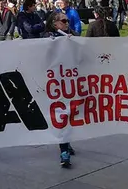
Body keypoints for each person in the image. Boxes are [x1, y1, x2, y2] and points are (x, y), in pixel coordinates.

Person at [42, 11, 76, 167]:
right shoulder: (47, 37)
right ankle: (64, 150)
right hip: (55, 82)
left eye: (67, 20)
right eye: (64, 21)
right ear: (54, 23)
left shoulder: (71, 35)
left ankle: (66, 142)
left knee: (70, 113)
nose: (67, 23)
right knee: (61, 114)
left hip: (70, 80)